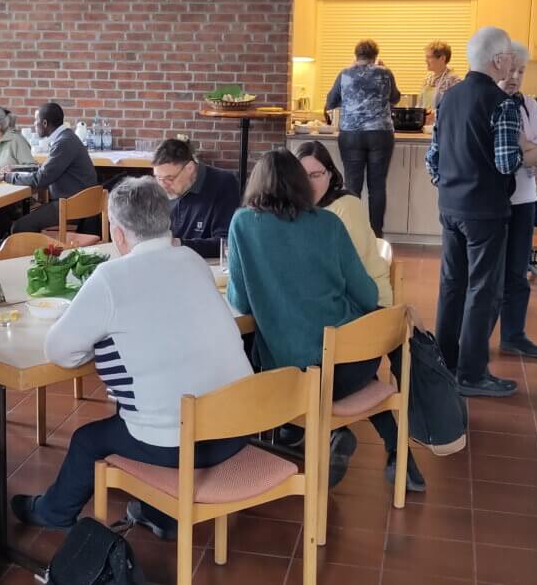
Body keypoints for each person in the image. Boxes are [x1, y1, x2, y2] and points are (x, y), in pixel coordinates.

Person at [11, 177, 253, 536]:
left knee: (88, 439)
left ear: (118, 233)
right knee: (152, 400)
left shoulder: (111, 276)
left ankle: (54, 512)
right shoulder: (192, 260)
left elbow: (58, 350)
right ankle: (160, 512)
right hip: (237, 428)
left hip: (181, 444)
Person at [226, 149, 424, 492]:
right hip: (349, 365)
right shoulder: (329, 224)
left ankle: (267, 442)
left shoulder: (243, 224)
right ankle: (395, 452)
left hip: (292, 376)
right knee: (340, 357)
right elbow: (367, 294)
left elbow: (240, 301)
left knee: (250, 347)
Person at [425, 26, 524, 398]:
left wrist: (450, 184)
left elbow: (432, 158)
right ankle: (472, 373)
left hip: (450, 205)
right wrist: (525, 153)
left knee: (452, 285)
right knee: (482, 289)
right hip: (485, 210)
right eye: (510, 57)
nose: (512, 63)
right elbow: (505, 163)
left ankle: (445, 362)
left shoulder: (448, 97)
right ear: (498, 60)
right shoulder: (502, 104)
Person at [496, 43, 537, 360]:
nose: (515, 77)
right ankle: (473, 340)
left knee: (517, 272)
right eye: (511, 70)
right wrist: (528, 150)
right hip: (490, 202)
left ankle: (514, 335)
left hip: (523, 199)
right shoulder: (487, 101)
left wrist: (520, 149)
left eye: (521, 71)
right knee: (486, 275)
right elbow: (495, 158)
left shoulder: (528, 104)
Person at [295, 140, 392, 307]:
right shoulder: (298, 209)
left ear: (330, 174)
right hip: (333, 297)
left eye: (316, 175)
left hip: (369, 304)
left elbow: (352, 271)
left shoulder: (347, 207)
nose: (308, 184)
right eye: (302, 176)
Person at [325, 39, 401, 238]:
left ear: (356, 54)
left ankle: (353, 233)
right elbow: (395, 98)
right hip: (380, 134)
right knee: (377, 186)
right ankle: (376, 235)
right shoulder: (385, 73)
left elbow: (330, 102)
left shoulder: (345, 74)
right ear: (375, 55)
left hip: (351, 135)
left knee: (352, 186)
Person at [0, 102, 98, 234]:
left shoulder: (64, 142)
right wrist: (15, 170)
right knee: (15, 215)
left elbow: (41, 179)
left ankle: (39, 248)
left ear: (44, 123)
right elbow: (46, 170)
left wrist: (7, 177)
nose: (34, 124)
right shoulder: (66, 137)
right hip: (78, 202)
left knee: (19, 227)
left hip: (71, 205)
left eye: (36, 120)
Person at [150, 138, 240, 258]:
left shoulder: (223, 183)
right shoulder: (158, 187)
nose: (163, 185)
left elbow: (226, 243)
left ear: (190, 168)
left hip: (205, 265)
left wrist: (179, 244)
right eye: (158, 177)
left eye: (169, 178)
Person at [420, 41, 462, 117]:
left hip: (442, 122)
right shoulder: (428, 78)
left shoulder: (454, 81)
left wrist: (436, 114)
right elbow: (421, 104)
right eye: (426, 57)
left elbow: (456, 108)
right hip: (426, 121)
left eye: (429, 57)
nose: (426, 60)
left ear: (442, 58)